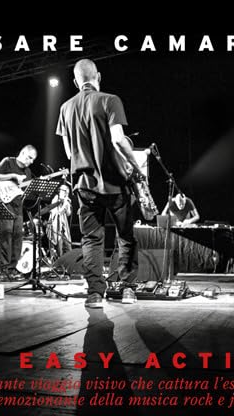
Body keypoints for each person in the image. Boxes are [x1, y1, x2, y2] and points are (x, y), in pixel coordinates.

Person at [56, 58, 143, 308]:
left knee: (91, 240)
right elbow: (118, 139)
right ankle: (128, 289)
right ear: (99, 77)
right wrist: (137, 168)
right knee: (126, 237)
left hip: (85, 185)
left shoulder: (65, 108)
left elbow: (69, 152)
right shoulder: (110, 100)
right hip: (116, 183)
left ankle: (95, 294)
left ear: (76, 82)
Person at [0, 145, 37, 277]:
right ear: (23, 153)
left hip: (18, 206)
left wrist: (36, 186)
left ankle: (12, 268)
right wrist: (13, 176)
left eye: (33, 159)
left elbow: (24, 190)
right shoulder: (8, 161)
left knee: (18, 235)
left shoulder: (28, 171)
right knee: (6, 233)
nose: (31, 161)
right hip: (5, 203)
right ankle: (4, 268)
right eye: (29, 157)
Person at [46, 182, 72, 258]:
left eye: (66, 191)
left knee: (68, 248)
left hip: (64, 227)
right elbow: (57, 213)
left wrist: (66, 203)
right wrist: (64, 205)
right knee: (59, 250)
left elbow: (68, 213)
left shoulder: (66, 200)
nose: (65, 193)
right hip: (56, 228)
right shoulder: (55, 199)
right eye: (63, 190)